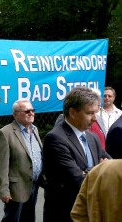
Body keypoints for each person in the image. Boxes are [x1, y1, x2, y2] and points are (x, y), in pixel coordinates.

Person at [43, 86, 110, 222]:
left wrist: (89, 172)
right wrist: (101, 170)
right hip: (65, 213)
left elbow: (111, 164)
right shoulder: (55, 138)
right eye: (90, 113)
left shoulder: (92, 137)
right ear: (72, 112)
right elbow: (77, 180)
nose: (95, 118)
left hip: (91, 211)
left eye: (96, 113)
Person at [0, 98, 43, 222]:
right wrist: (3, 190)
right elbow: (2, 165)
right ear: (15, 114)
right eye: (27, 111)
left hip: (34, 184)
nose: (31, 113)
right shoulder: (5, 133)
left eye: (32, 110)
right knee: (12, 218)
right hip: (17, 187)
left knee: (28, 218)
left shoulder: (34, 129)